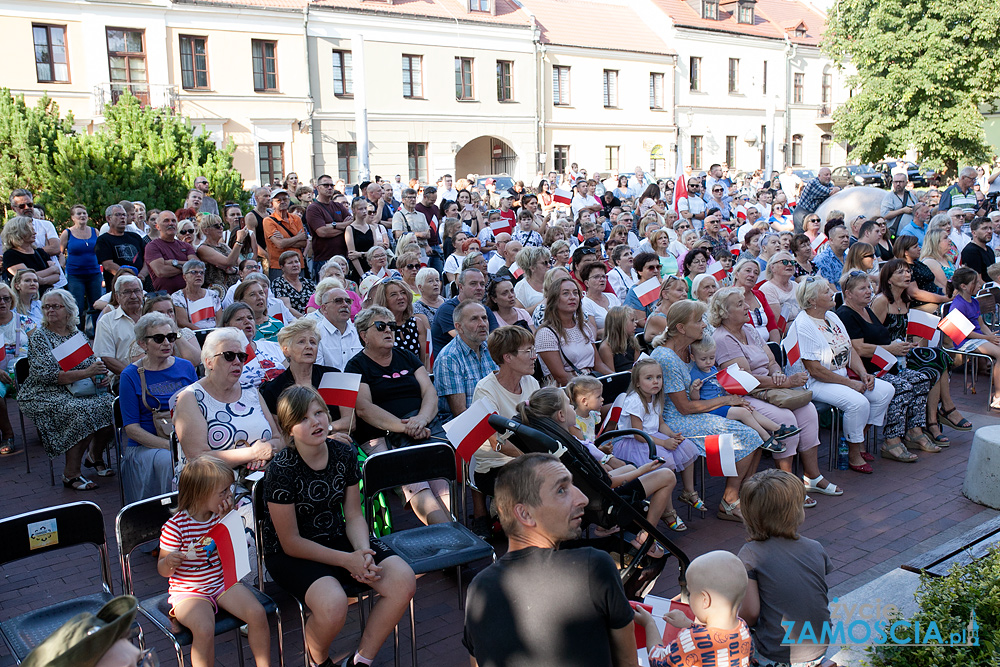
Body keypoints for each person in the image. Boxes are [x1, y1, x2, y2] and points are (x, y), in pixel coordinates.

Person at [260, 386, 415, 667]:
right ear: (288, 429)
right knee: (333, 605)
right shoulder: (281, 469)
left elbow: (354, 515)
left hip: (338, 535)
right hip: (292, 552)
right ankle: (319, 662)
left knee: (403, 579)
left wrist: (363, 552)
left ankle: (361, 661)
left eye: (319, 413)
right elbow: (290, 541)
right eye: (303, 418)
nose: (316, 422)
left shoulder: (343, 454)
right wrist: (348, 561)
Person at [463, 451, 640, 667]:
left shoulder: (478, 587)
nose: (582, 499)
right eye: (561, 490)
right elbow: (628, 663)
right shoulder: (592, 567)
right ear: (525, 514)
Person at [710, 287, 837, 502]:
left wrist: (778, 374)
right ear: (724, 312)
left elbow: (771, 361)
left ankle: (812, 477)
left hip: (772, 388)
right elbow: (745, 380)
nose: (747, 307)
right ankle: (785, 485)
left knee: (808, 411)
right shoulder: (723, 338)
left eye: (745, 302)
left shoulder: (749, 329)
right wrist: (785, 382)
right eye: (740, 304)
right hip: (746, 395)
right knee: (786, 418)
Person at [650, 300, 764, 522]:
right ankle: (730, 501)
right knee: (750, 435)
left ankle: (743, 496)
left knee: (754, 432)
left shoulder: (688, 348)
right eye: (699, 321)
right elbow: (683, 408)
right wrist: (728, 399)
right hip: (676, 420)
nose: (704, 325)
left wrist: (731, 400)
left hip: (694, 411)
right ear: (681, 328)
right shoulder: (666, 357)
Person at [158, 455, 271, 667]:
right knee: (204, 629)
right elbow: (163, 570)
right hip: (189, 592)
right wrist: (169, 561)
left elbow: (235, 552)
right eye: (224, 492)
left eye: (230, 489)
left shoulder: (221, 516)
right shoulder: (175, 527)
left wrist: (229, 521)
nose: (230, 495)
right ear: (200, 495)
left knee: (257, 613)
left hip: (221, 583)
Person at [346, 306, 452, 526]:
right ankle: (450, 536)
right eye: (381, 326)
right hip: (383, 436)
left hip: (423, 426)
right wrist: (405, 427)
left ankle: (452, 533)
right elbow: (364, 408)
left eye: (392, 326)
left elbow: (429, 392)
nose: (389, 331)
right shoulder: (356, 365)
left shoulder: (407, 356)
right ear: (364, 335)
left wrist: (421, 420)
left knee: (440, 481)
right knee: (416, 481)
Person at [788, 277, 894, 474]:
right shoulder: (803, 325)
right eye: (826, 291)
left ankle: (858, 440)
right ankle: (853, 453)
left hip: (840, 374)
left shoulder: (832, 316)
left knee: (885, 391)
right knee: (858, 402)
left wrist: (863, 374)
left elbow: (850, 349)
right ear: (812, 300)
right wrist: (849, 383)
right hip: (815, 382)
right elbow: (815, 370)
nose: (832, 293)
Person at [835, 271, 936, 462]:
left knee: (921, 379)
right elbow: (858, 348)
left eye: (869, 286)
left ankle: (914, 431)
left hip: (885, 363)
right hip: (866, 369)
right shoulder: (846, 314)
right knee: (903, 387)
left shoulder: (865, 309)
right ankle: (891, 440)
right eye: (862, 288)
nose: (869, 291)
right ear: (848, 293)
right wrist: (890, 348)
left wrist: (900, 346)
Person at [19, 289, 115, 490]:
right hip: (44, 392)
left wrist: (99, 377)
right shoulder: (40, 337)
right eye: (46, 306)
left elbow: (90, 365)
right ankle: (71, 474)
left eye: (56, 306)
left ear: (69, 310)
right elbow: (46, 376)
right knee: (81, 413)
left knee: (111, 406)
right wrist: (88, 372)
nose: (50, 310)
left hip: (78, 388)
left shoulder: (76, 334)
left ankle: (94, 456)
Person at [737, 469, 833, 667]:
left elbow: (751, 613)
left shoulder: (750, 555)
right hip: (819, 643)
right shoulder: (816, 548)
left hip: (776, 653)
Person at [871, 259, 969, 444]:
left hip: (902, 353)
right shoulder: (881, 301)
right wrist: (895, 346)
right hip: (884, 356)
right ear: (889, 279)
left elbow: (902, 332)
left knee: (939, 356)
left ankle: (939, 414)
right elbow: (873, 336)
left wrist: (910, 344)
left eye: (908, 272)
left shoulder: (905, 300)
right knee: (933, 366)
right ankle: (938, 417)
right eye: (900, 272)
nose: (907, 275)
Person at [173, 326, 282, 487]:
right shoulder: (190, 398)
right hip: (213, 488)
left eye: (241, 356)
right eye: (229, 356)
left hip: (260, 479)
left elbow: (279, 439)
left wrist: (268, 450)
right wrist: (252, 453)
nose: (237, 361)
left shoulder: (251, 391)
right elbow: (199, 459)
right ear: (209, 362)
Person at [119, 312, 197, 504]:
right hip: (149, 446)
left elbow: (201, 408)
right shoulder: (130, 375)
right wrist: (172, 447)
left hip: (187, 437)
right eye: (158, 338)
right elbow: (132, 429)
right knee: (169, 461)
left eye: (171, 337)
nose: (167, 343)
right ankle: (172, 515)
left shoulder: (186, 367)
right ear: (142, 344)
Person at [613, 358, 702, 514]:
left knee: (687, 447)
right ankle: (667, 510)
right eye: (649, 378)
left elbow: (661, 424)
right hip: (636, 442)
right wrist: (664, 443)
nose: (656, 382)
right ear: (638, 382)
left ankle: (689, 491)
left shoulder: (655, 397)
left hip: (653, 436)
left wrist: (673, 435)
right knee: (664, 461)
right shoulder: (635, 401)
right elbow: (638, 435)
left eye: (658, 377)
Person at [634, 551, 752, 667]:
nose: (689, 598)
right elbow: (718, 637)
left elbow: (659, 662)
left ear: (705, 600)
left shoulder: (692, 640)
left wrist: (649, 624)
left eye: (690, 593)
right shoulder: (743, 628)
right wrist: (690, 624)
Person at [689, 336, 798, 451]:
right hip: (711, 409)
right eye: (703, 359)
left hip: (722, 403)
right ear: (693, 357)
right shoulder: (695, 374)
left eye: (711, 358)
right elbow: (695, 400)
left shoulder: (713, 370)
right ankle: (766, 439)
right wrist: (695, 389)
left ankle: (776, 428)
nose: (708, 362)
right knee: (743, 412)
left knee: (749, 408)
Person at [259, 317, 353, 438]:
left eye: (313, 342)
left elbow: (350, 422)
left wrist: (324, 431)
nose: (309, 346)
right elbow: (283, 434)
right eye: (301, 342)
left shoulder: (334, 375)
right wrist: (320, 436)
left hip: (340, 441)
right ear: (286, 350)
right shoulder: (274, 389)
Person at [535, 277, 611, 383]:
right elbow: (560, 376)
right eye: (566, 293)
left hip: (592, 381)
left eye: (575, 293)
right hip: (567, 389)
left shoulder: (583, 327)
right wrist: (590, 389)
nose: (572, 297)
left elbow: (598, 364)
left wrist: (618, 378)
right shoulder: (546, 333)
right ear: (555, 299)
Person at [433, 300, 498, 422]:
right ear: (459, 327)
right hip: (467, 426)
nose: (482, 323)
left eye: (484, 318)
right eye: (474, 319)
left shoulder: (492, 347)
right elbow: (460, 413)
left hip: (497, 418)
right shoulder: (449, 358)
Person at [947, 267, 1000, 409]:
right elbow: (964, 333)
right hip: (966, 341)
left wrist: (991, 336)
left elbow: (981, 324)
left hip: (978, 337)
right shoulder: (958, 305)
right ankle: (997, 397)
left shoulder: (974, 301)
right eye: (975, 283)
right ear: (963, 286)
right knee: (999, 354)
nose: (979, 286)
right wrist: (988, 338)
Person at [217, 302, 284, 389]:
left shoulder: (272, 346)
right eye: (239, 319)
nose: (247, 321)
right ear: (227, 326)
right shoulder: (224, 356)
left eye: (250, 318)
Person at [60, 205, 103, 332]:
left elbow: (100, 252)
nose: (83, 216)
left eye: (84, 213)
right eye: (79, 214)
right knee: (76, 306)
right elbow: (60, 253)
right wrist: (61, 266)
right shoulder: (67, 233)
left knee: (96, 305)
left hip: (94, 274)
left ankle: (98, 334)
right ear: (73, 217)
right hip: (75, 275)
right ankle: (76, 335)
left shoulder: (95, 231)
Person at [93, 274, 145, 376]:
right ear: (117, 297)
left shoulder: (152, 315)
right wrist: (133, 376)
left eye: (136, 291)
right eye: (127, 292)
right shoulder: (107, 321)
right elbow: (106, 358)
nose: (133, 296)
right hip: (123, 377)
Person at [371, 278, 429, 364]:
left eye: (403, 293)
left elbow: (425, 358)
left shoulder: (417, 323)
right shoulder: (380, 326)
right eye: (393, 294)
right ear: (384, 299)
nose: (400, 297)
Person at [2, 216, 61, 291]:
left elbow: (56, 276)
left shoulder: (40, 252)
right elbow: (26, 277)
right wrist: (52, 270)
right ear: (18, 233)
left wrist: (42, 280)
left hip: (46, 295)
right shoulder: (10, 255)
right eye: (30, 230)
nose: (34, 232)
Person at [145, 210, 198, 293]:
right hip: (167, 299)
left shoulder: (185, 246)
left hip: (191, 295)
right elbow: (161, 271)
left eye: (173, 221)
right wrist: (188, 268)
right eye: (166, 221)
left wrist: (173, 262)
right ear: (157, 226)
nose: (171, 223)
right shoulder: (152, 246)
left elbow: (197, 265)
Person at [262, 188, 307, 281]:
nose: (282, 202)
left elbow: (304, 243)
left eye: (285, 199)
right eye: (278, 200)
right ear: (272, 203)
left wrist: (284, 240)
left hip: (298, 264)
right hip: (278, 266)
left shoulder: (296, 219)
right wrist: (297, 237)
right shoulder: (268, 221)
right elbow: (279, 244)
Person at [195, 213, 243, 292]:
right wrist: (239, 241)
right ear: (205, 230)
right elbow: (228, 262)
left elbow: (241, 265)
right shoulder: (203, 248)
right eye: (217, 226)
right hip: (217, 291)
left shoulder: (224, 246)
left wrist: (234, 271)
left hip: (234, 288)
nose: (221, 228)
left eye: (222, 225)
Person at [171, 260, 220, 331]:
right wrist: (203, 332)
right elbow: (182, 322)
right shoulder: (178, 297)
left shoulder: (212, 295)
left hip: (214, 333)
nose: (199, 275)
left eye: (201, 272)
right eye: (193, 272)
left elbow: (220, 319)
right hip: (193, 334)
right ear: (185, 277)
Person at [270, 251, 316, 319]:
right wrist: (305, 319)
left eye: (296, 262)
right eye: (290, 263)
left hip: (313, 319)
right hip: (293, 321)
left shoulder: (308, 282)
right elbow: (287, 308)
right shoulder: (279, 283)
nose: (295, 265)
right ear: (282, 267)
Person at [793, 167, 841, 232]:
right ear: (819, 176)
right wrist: (838, 188)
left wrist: (838, 188)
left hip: (812, 213)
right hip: (802, 213)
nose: (829, 177)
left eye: (830, 174)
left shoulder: (828, 184)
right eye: (826, 175)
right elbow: (829, 192)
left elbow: (838, 192)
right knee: (802, 236)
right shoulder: (813, 184)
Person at [961, 217, 996, 284]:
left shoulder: (989, 249)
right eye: (984, 228)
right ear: (974, 233)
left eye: (990, 228)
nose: (989, 231)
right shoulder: (970, 251)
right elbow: (977, 279)